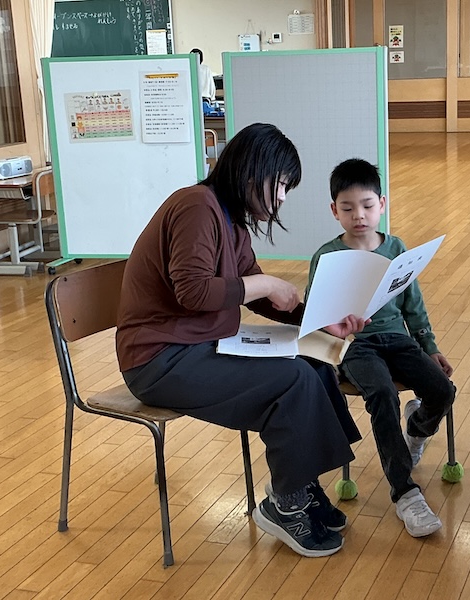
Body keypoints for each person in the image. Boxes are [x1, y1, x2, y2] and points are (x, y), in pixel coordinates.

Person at [116, 123, 365, 558]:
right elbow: (194, 292)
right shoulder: (196, 206)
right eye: (281, 184)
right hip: (158, 360)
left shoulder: (230, 221)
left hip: (198, 347)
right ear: (252, 173)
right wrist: (266, 284)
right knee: (293, 382)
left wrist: (320, 322)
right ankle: (286, 503)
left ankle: (301, 484)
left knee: (314, 365)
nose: (283, 197)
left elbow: (258, 294)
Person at [306, 158, 456, 538]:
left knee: (442, 389)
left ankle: (416, 430)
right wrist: (334, 338)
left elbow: (413, 306)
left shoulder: (396, 247)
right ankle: (405, 492)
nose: (359, 215)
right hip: (356, 346)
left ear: (382, 204)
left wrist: (430, 346)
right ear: (334, 210)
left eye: (367, 205)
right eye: (347, 208)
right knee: (382, 394)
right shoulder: (326, 256)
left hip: (398, 340)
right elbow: (314, 314)